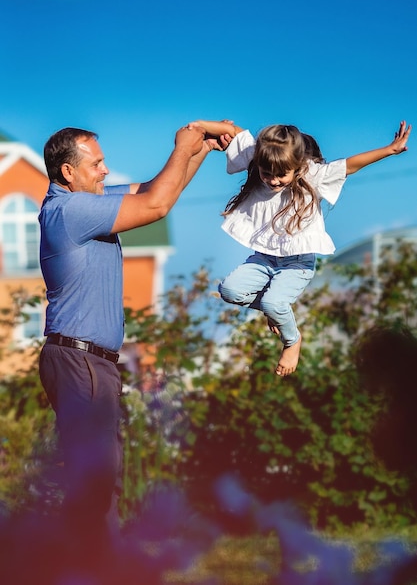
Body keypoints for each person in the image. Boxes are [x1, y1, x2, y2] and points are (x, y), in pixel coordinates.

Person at [38, 122, 212, 553]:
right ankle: (78, 568)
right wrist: (181, 144)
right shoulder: (70, 211)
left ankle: (98, 566)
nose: (105, 170)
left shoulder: (87, 201)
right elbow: (155, 206)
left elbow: (157, 189)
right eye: (96, 164)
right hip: (81, 362)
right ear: (68, 172)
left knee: (102, 479)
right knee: (95, 480)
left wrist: (199, 150)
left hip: (89, 363)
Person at [193, 119, 411, 377]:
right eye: (266, 174)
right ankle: (276, 310)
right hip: (264, 259)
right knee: (229, 290)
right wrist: (197, 126)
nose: (272, 181)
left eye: (281, 175)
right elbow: (235, 132)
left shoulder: (313, 175)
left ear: (297, 167)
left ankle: (291, 341)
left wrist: (390, 149)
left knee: (274, 303)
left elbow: (349, 165)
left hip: (297, 264)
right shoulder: (261, 157)